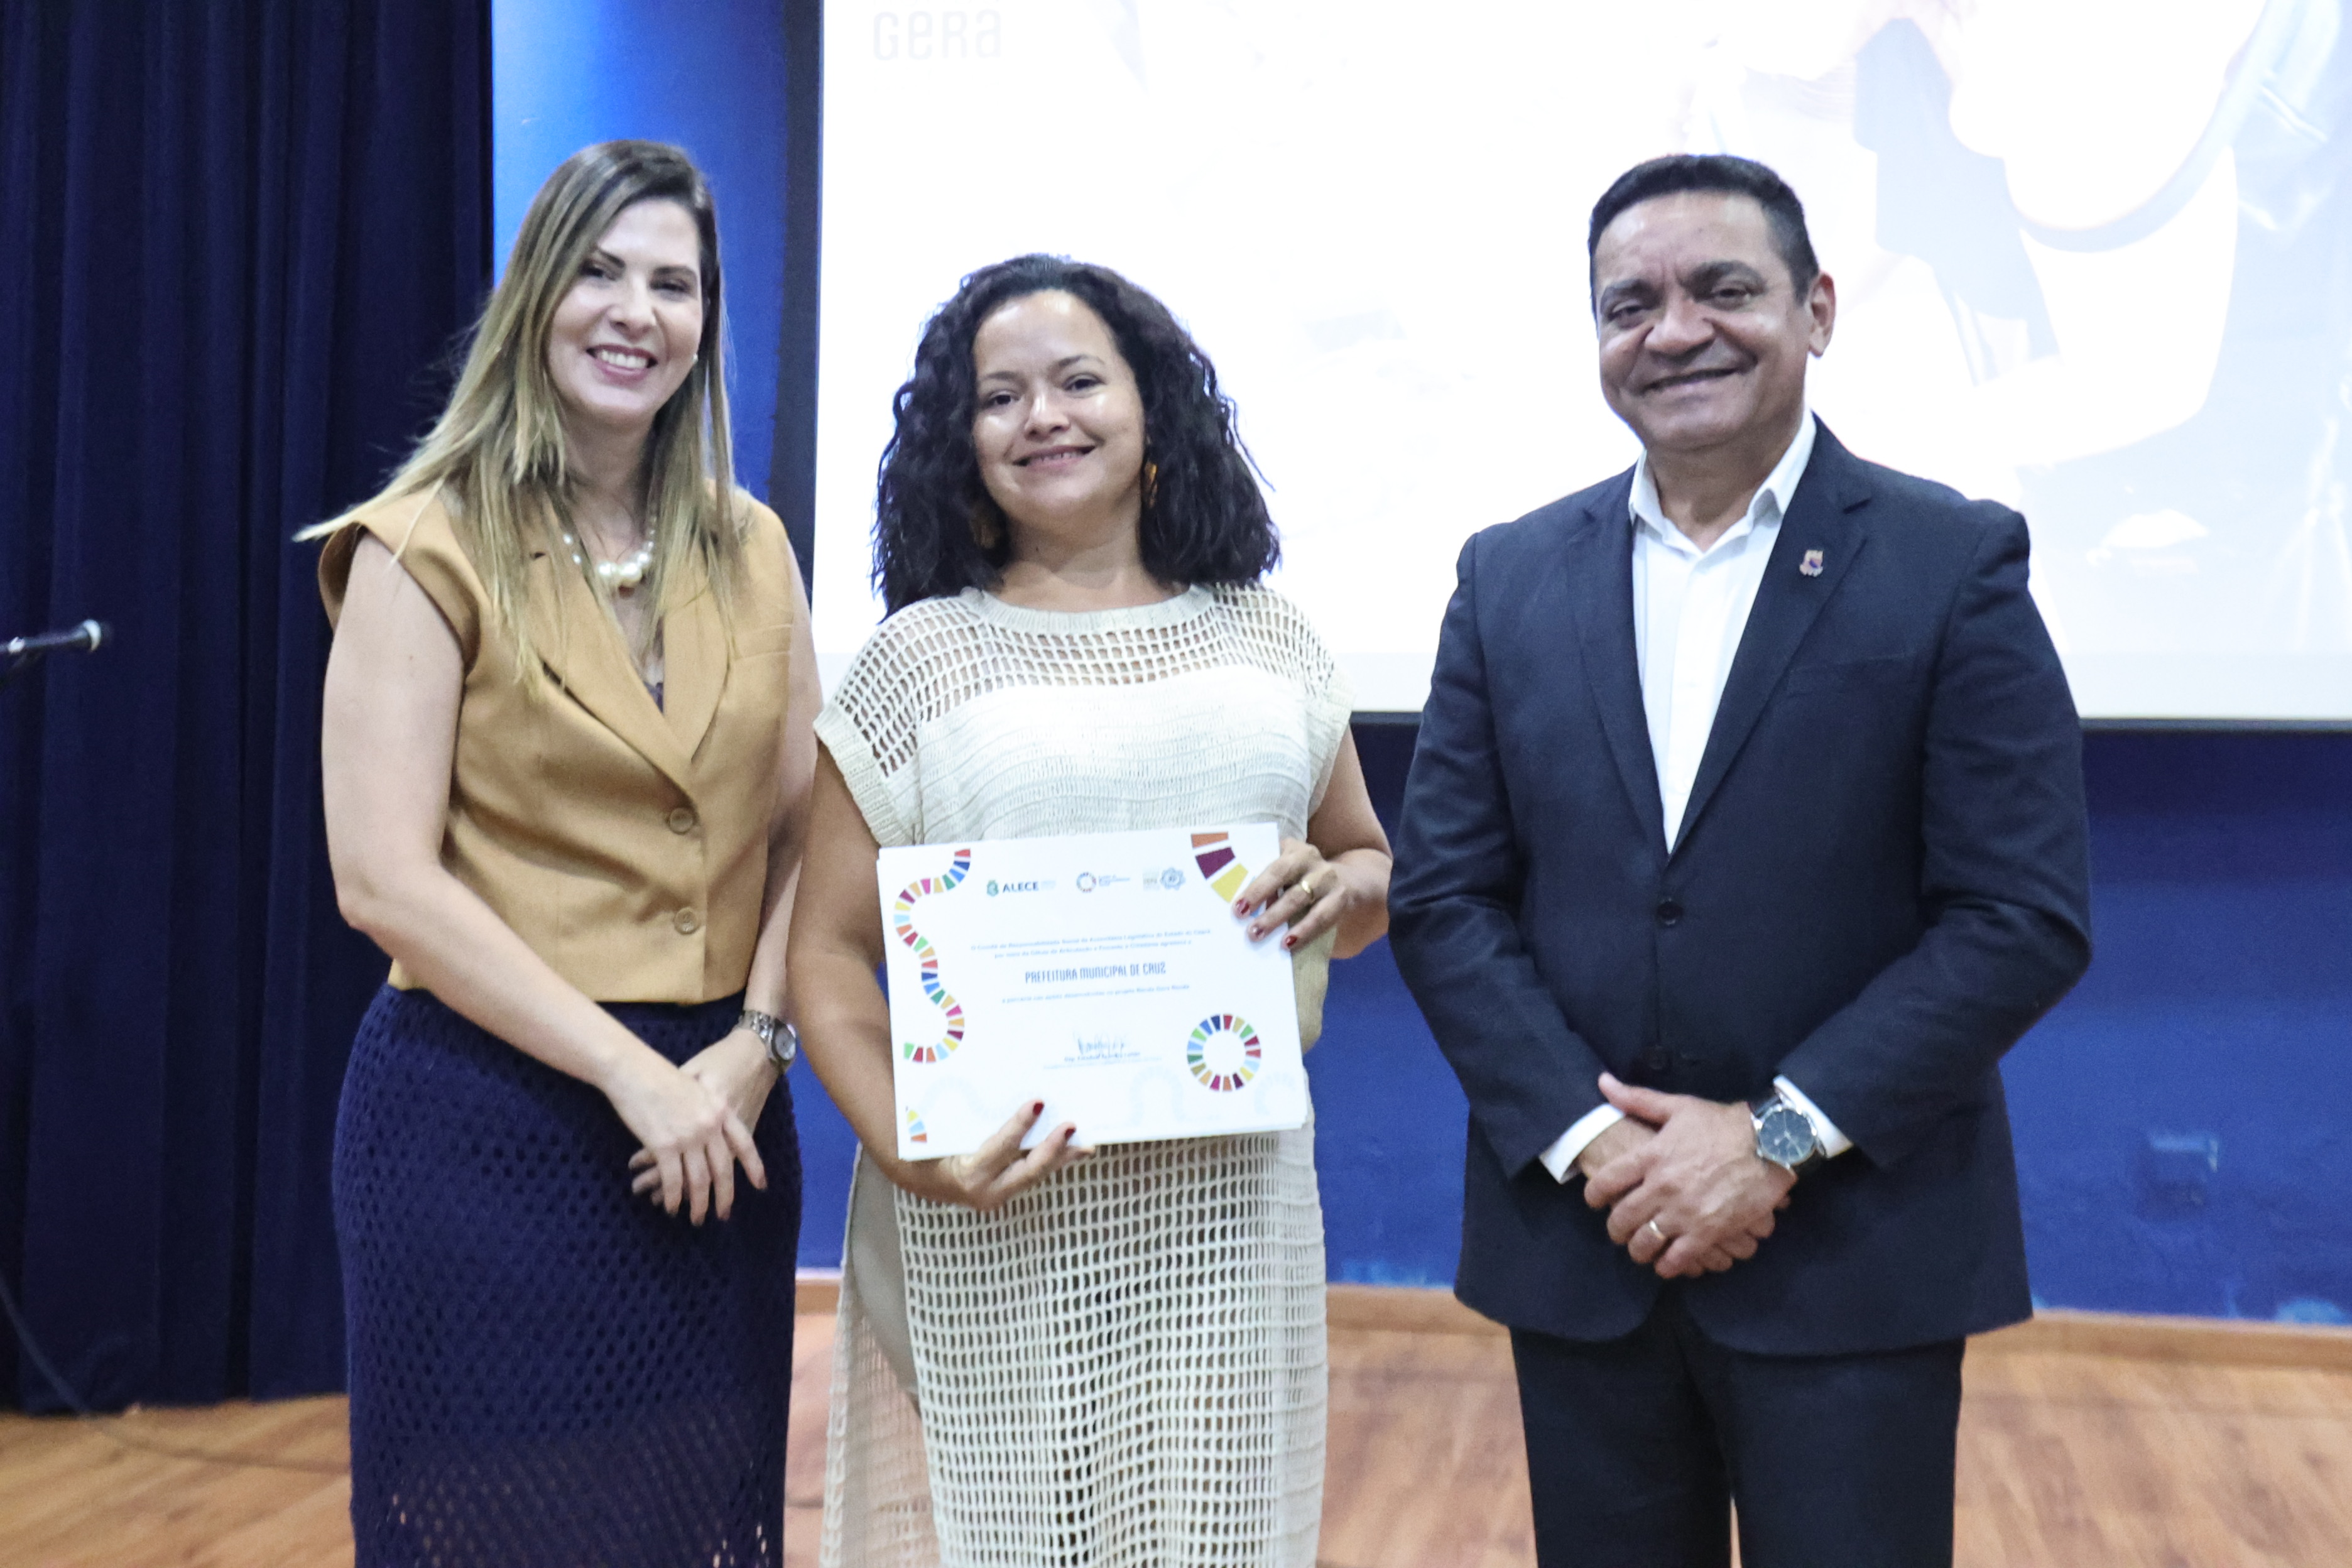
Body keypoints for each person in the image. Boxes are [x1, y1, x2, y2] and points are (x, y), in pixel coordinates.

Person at [1388, 154, 2093, 1567]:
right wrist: (1601, 1148)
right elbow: (1446, 898)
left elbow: (2018, 915)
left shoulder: (1951, 562)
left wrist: (1771, 1142)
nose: (1675, 332)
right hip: (1585, 1244)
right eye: (1630, 305)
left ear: (1817, 309)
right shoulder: (1507, 576)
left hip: (1852, 1255)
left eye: (1725, 290)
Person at [789, 254, 1391, 1568]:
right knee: (1018, 1539)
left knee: (1220, 1537)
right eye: (999, 397)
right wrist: (912, 1151)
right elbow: (825, 955)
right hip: (997, 1204)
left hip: (1224, 1210)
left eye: (1078, 382)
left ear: (1152, 409)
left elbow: (1366, 869)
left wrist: (1342, 886)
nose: (1042, 417)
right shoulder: (917, 659)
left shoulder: (1271, 638)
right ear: (961, 443)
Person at [308, 141, 820, 1567]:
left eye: (673, 284)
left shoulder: (753, 547)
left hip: (721, 1127)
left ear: (706, 320)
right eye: (599, 272)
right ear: (535, 294)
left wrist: (758, 1045)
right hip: (488, 1129)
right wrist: (630, 1073)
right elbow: (382, 882)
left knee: (691, 1531)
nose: (635, 312)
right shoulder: (420, 544)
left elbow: (807, 834)